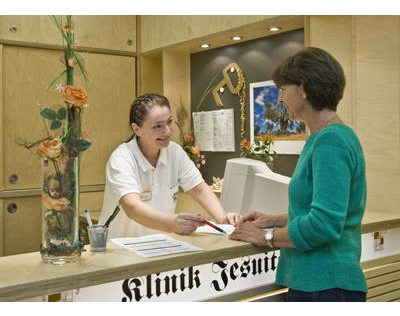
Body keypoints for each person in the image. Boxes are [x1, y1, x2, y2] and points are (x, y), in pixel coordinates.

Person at [229, 47, 368, 302]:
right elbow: (320, 211)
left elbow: (324, 225)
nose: (280, 99)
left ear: (303, 89)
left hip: (326, 285)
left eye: (283, 89)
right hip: (319, 284)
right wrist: (273, 220)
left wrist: (266, 236)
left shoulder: (330, 142)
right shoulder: (326, 138)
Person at [99, 93, 241, 238]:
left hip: (160, 246)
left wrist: (224, 219)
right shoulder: (122, 158)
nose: (167, 131)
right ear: (137, 129)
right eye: (157, 126)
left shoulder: (174, 151)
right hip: (122, 251)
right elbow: (132, 208)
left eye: (169, 122)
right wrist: (173, 224)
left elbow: (200, 190)